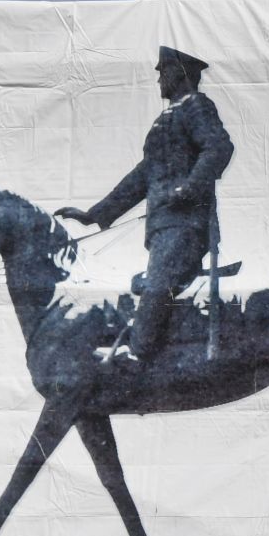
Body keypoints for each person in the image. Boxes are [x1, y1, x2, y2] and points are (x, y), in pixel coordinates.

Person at [60, 47, 234, 364]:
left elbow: (218, 147)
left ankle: (138, 353)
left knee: (157, 283)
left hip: (187, 224)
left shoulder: (196, 106)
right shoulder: (165, 120)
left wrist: (191, 186)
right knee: (154, 284)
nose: (158, 79)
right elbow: (143, 175)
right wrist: (97, 213)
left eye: (163, 71)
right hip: (164, 225)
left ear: (180, 72)